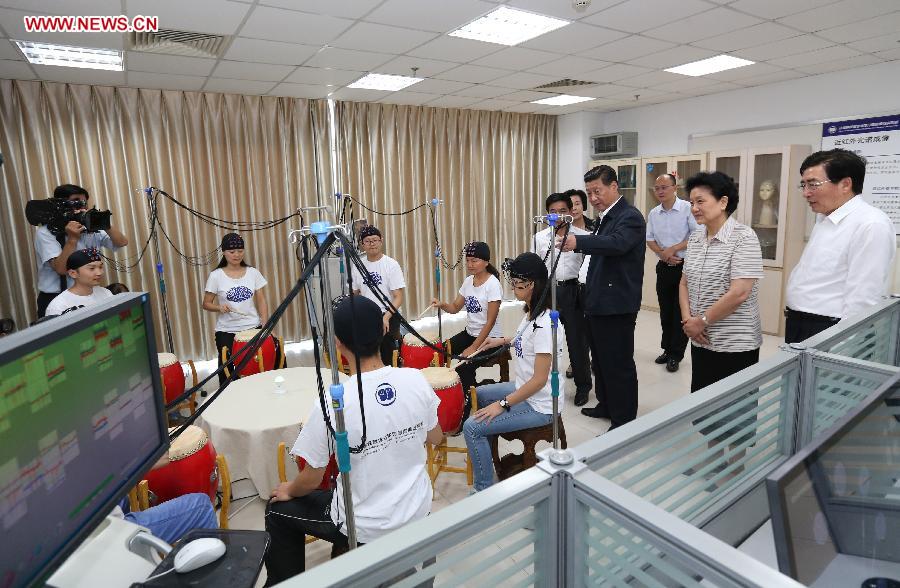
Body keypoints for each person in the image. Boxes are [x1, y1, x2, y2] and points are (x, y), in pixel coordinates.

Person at [264, 296, 442, 585]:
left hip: (364, 528)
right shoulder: (415, 379)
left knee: (277, 510)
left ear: (337, 343)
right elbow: (437, 436)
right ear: (384, 330)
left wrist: (289, 490)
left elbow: (311, 478)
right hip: (417, 512)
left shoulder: (334, 401)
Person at [679, 171, 763, 477]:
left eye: (700, 201)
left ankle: (735, 467)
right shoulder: (696, 238)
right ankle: (714, 460)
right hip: (702, 339)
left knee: (736, 407)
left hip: (735, 342)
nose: (694, 208)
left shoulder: (744, 237)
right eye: (692, 202)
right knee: (707, 402)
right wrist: (689, 321)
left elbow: (740, 292)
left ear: (723, 202)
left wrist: (701, 321)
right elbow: (684, 282)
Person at [463, 252, 565, 491]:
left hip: (541, 405)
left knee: (472, 427)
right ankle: (486, 454)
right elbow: (524, 338)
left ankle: (483, 489)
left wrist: (503, 404)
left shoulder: (545, 324)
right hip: (525, 388)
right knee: (481, 394)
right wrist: (501, 341)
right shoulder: (531, 313)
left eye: (519, 283)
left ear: (533, 285)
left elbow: (539, 380)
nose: (513, 287)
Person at [558, 166, 645, 429]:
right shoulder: (605, 216)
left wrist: (579, 242)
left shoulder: (629, 216)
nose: (593, 198)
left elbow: (617, 243)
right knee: (600, 360)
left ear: (614, 186)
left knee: (617, 363)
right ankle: (606, 404)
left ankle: (623, 418)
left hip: (616, 303)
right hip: (596, 300)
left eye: (597, 191)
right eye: (589, 193)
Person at [784, 149, 895, 343]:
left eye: (813, 184)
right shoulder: (825, 217)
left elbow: (863, 299)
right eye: (803, 185)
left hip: (832, 330)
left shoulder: (871, 224)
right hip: (801, 322)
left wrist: (843, 347)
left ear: (845, 184)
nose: (805, 193)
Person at [531, 193, 593, 406]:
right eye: (553, 212)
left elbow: (588, 268)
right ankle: (543, 384)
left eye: (562, 211)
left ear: (571, 212)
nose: (557, 216)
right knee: (546, 341)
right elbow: (536, 269)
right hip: (549, 293)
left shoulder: (583, 236)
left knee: (577, 343)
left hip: (574, 292)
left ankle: (583, 386)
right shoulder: (540, 238)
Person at [34, 184, 128, 318]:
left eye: (84, 203)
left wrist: (103, 222)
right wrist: (72, 239)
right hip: (56, 297)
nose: (82, 207)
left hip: (87, 293)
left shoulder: (89, 227)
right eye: (76, 202)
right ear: (61, 206)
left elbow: (122, 242)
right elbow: (61, 269)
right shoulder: (46, 232)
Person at [430, 241, 503, 395]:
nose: (470, 264)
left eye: (474, 261)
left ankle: (468, 401)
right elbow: (455, 308)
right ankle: (441, 393)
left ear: (486, 262)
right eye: (468, 260)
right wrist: (442, 304)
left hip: (490, 340)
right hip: (470, 334)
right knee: (439, 352)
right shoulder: (468, 281)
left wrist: (474, 347)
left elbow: (490, 322)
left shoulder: (493, 285)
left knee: (464, 367)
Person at [646, 172, 699, 373]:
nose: (660, 191)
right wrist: (663, 254)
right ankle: (667, 350)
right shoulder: (654, 213)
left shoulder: (687, 208)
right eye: (657, 188)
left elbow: (697, 234)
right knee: (666, 312)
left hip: (684, 267)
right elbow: (649, 239)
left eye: (664, 187)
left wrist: (673, 249)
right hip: (664, 266)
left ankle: (676, 355)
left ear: (675, 188)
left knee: (680, 312)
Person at [202, 233, 269, 386]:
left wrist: (265, 324)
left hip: (252, 326)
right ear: (224, 252)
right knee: (227, 370)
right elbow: (206, 303)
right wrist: (219, 307)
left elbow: (261, 300)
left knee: (257, 365)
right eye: (232, 252)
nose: (236, 255)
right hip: (226, 330)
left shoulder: (253, 272)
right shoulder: (215, 276)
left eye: (240, 251)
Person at [350, 226, 406, 366]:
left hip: (388, 313)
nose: (372, 244)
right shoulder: (358, 266)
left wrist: (385, 318)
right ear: (362, 244)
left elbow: (398, 297)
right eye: (367, 241)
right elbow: (354, 294)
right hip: (366, 314)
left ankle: (392, 369)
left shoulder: (391, 265)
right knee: (366, 353)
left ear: (381, 241)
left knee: (387, 353)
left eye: (375, 240)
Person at [44, 248, 114, 316]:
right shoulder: (59, 306)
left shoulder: (106, 293)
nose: (99, 273)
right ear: (73, 273)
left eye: (100, 267)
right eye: (92, 268)